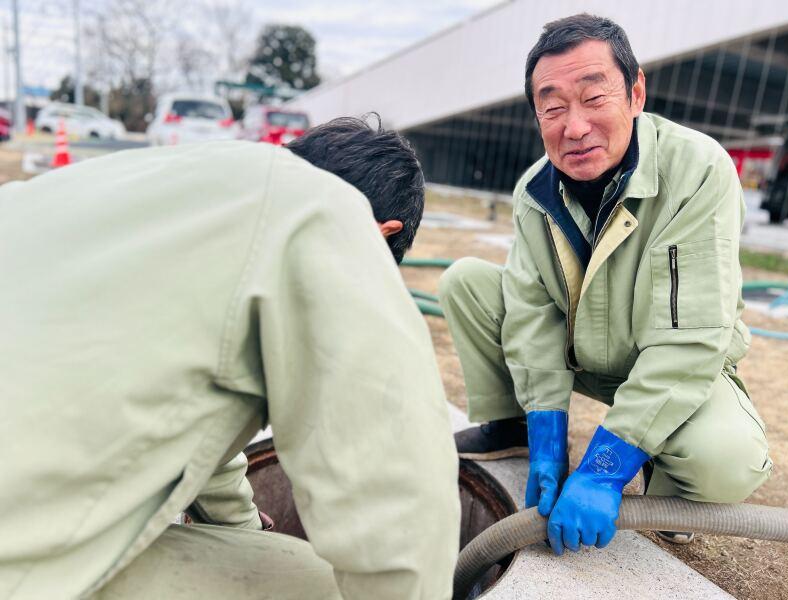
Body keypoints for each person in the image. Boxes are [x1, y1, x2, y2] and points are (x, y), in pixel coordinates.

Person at [0, 117, 460, 600]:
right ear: (381, 233)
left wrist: (240, 524)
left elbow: (179, 408)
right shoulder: (328, 216)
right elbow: (402, 511)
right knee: (318, 582)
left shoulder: (165, 184)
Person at [440, 13, 772, 556]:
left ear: (636, 92)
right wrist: (549, 439)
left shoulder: (697, 170)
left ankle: (661, 481)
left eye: (594, 98)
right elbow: (530, 313)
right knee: (469, 282)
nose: (573, 127)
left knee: (725, 461)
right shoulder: (534, 190)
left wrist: (606, 468)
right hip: (583, 356)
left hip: (666, 361)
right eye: (552, 107)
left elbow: (690, 340)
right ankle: (515, 427)